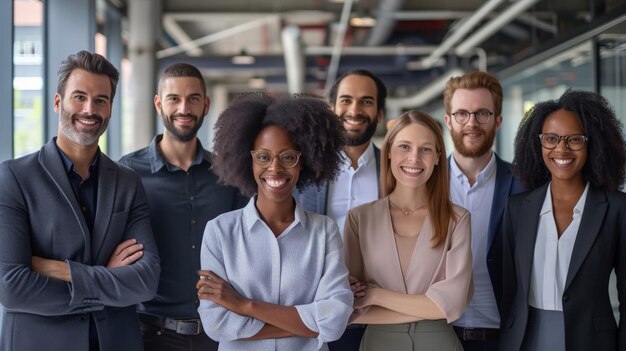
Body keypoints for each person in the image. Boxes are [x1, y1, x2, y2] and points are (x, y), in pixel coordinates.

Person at [0, 50, 160, 350]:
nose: (89, 109)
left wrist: (63, 270)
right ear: (58, 102)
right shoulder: (13, 178)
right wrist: (107, 279)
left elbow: (145, 281)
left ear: (110, 108)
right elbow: (11, 286)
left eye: (100, 100)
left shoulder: (128, 182)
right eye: (79, 97)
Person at [195, 93, 353, 350]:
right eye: (263, 157)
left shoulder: (324, 232)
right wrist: (309, 325)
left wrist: (244, 305)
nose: (275, 168)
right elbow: (217, 324)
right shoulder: (220, 231)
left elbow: (334, 322)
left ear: (305, 162)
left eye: (288, 157)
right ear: (249, 161)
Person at [119, 63, 247, 351]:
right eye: (174, 98)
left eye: (193, 99)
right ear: (158, 103)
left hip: (220, 333)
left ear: (206, 105)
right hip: (150, 334)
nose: (184, 108)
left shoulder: (228, 174)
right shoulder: (126, 173)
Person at [499, 90, 626, 351]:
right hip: (525, 340)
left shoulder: (616, 209)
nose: (561, 148)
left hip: (592, 342)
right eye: (551, 139)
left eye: (575, 139)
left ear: (594, 143)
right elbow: (508, 288)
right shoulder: (517, 208)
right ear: (538, 144)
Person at [344, 110, 472, 351]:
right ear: (389, 152)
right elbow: (352, 307)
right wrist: (428, 306)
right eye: (405, 146)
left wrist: (376, 296)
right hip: (378, 344)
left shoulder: (458, 219)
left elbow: (452, 305)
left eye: (425, 149)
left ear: (437, 157)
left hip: (439, 344)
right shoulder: (359, 219)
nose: (414, 158)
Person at [294, 69, 387, 350]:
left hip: (379, 317)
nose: (355, 110)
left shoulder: (397, 172)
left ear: (380, 113)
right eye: (346, 100)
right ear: (332, 109)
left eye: (366, 101)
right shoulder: (304, 171)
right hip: (314, 314)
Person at [442, 71, 525, 350]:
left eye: (482, 114)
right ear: (448, 121)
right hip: (438, 334)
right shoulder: (424, 184)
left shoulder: (525, 186)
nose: (472, 123)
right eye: (462, 114)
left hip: (502, 337)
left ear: (498, 121)